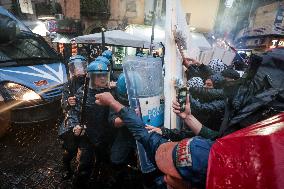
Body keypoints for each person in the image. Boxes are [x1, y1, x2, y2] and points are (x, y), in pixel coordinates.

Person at [65, 59, 112, 188]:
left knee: (103, 162)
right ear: (91, 77)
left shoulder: (110, 92)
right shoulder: (82, 93)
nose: (103, 79)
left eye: (104, 75)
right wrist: (75, 126)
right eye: (98, 75)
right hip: (87, 136)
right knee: (84, 165)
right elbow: (73, 113)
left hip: (103, 135)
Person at [58, 55, 87, 180]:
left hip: (88, 118)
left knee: (89, 147)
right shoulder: (68, 85)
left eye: (81, 66)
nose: (79, 70)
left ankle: (84, 170)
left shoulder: (92, 80)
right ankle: (66, 165)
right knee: (71, 148)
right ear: (71, 69)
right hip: (73, 118)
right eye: (75, 67)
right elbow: (63, 105)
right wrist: (67, 102)